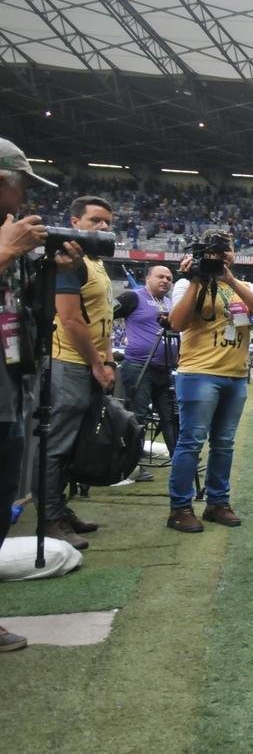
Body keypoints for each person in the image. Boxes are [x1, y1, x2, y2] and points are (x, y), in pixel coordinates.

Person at [0, 139, 65, 650]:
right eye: (19, 184)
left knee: (2, 499)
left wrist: (48, 267)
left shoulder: (13, 234)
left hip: (11, 384)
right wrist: (6, 251)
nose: (24, 197)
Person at [166, 230, 253, 533]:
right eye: (214, 250)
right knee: (191, 442)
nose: (222, 254)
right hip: (198, 372)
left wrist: (230, 280)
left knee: (224, 444)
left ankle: (217, 503)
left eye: (227, 248)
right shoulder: (187, 283)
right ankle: (180, 508)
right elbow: (177, 323)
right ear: (203, 252)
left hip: (235, 375)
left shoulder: (246, 286)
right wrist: (196, 279)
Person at [37, 195, 116, 550]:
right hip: (69, 362)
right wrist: (98, 364)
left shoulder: (94, 261)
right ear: (74, 223)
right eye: (95, 220)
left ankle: (61, 510)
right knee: (57, 445)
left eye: (107, 221)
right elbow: (69, 319)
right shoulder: (69, 261)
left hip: (89, 363)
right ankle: (49, 518)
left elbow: (103, 320)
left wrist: (108, 360)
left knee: (73, 445)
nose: (103, 226)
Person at [114, 264, 177, 480]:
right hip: (139, 366)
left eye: (169, 278)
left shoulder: (169, 302)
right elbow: (105, 315)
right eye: (160, 276)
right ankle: (130, 467)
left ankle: (180, 463)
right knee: (138, 417)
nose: (165, 280)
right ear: (147, 278)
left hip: (165, 369)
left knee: (170, 417)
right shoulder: (133, 297)